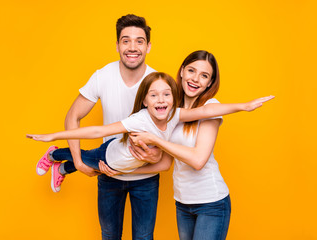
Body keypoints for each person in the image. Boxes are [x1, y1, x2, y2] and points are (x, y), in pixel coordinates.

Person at [101, 50, 268, 240]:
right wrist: (118, 171)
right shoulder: (170, 108)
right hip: (182, 203)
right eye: (191, 71)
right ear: (181, 71)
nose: (196, 79)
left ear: (210, 83)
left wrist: (156, 140)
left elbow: (198, 160)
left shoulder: (210, 108)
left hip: (211, 203)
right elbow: (165, 164)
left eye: (204, 76)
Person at [27, 72, 273, 194]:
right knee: (86, 158)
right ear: (144, 101)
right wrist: (54, 136)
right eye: (154, 96)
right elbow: (99, 130)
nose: (161, 100)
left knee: (86, 166)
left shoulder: (175, 114)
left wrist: (244, 106)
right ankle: (54, 154)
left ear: (174, 99)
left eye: (166, 95)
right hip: (110, 156)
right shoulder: (138, 120)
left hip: (125, 167)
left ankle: (62, 168)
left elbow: (208, 111)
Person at [63, 14, 158, 240]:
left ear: (149, 46)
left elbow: (170, 129)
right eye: (126, 40)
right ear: (117, 45)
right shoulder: (103, 76)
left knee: (144, 238)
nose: (132, 47)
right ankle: (61, 162)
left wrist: (155, 156)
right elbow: (72, 117)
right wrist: (77, 161)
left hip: (145, 177)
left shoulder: (157, 81)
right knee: (109, 236)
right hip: (108, 172)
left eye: (139, 41)